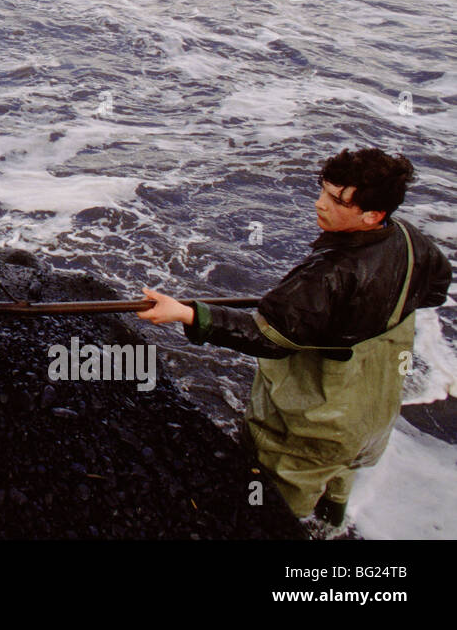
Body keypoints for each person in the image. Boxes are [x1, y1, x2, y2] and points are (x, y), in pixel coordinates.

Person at [139, 148, 451, 528]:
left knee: (284, 490)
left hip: (316, 425)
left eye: (336, 201)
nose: (320, 205)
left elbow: (265, 336)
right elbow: (434, 290)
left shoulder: (327, 275)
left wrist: (186, 312)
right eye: (323, 191)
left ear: (373, 214)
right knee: (343, 466)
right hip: (373, 411)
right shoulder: (410, 239)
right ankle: (333, 519)